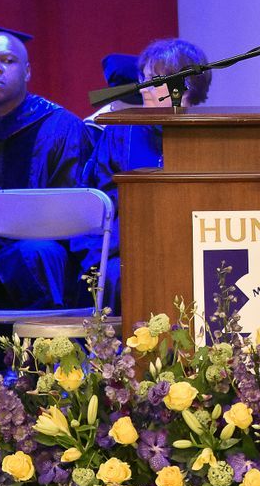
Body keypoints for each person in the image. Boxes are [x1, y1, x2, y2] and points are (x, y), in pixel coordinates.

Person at [76, 38, 212, 310]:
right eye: (144, 78)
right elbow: (97, 202)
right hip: (129, 249)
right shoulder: (120, 133)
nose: (145, 88)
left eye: (157, 80)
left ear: (187, 86)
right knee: (116, 274)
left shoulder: (211, 134)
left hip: (195, 245)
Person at [0, 24, 94, 366]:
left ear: (28, 71)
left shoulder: (61, 127)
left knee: (38, 253)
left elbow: (74, 215)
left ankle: (48, 368)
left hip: (40, 249)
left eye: (8, 60)